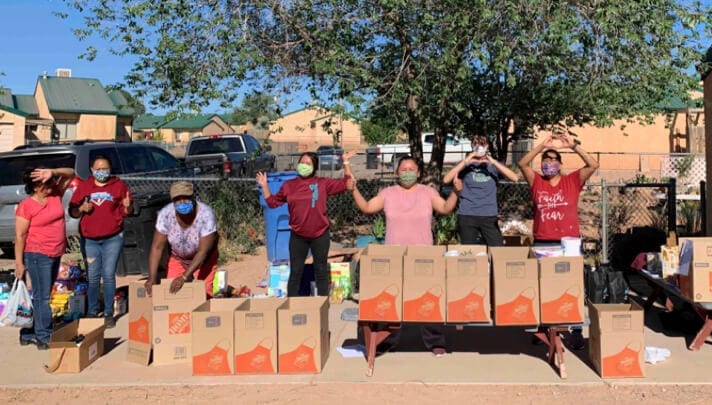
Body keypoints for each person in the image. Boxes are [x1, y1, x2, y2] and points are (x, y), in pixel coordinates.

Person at [350, 156, 460, 357]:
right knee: (392, 300)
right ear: (397, 172)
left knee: (427, 299)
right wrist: (353, 189)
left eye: (411, 169)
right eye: (403, 169)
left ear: (418, 173)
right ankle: (389, 339)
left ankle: (435, 340)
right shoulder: (388, 193)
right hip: (395, 257)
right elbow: (367, 208)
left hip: (423, 257)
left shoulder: (428, 192)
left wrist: (456, 192)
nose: (407, 172)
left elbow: (445, 208)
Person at [518, 132, 599, 350]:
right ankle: (544, 328)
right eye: (546, 159)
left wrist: (573, 145)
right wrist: (541, 146)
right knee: (544, 286)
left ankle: (575, 330)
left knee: (571, 286)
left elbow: (593, 164)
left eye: (554, 159)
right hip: (544, 242)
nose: (550, 163)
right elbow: (522, 163)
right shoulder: (536, 182)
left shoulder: (571, 181)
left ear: (561, 164)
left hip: (568, 242)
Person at [256, 150, 355, 297]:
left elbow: (348, 184)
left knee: (320, 270)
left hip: (320, 235)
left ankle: (322, 305)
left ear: (314, 167)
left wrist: (346, 162)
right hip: (298, 236)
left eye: (308, 163)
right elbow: (272, 203)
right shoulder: (289, 185)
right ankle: (292, 305)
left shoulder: (322, 183)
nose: (304, 165)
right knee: (296, 272)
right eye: (302, 162)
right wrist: (264, 186)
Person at [14, 167, 75, 350]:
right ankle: (44, 335)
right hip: (37, 254)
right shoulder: (27, 206)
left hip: (55, 252)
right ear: (34, 187)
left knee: (43, 295)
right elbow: (20, 236)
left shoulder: (55, 194)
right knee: (42, 297)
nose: (49, 186)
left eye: (49, 182)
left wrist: (53, 171)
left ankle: (29, 332)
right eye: (44, 184)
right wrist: (19, 263)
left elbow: (71, 173)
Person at [68, 156, 132, 328]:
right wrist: (80, 209)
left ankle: (109, 313)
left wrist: (128, 206)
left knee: (109, 274)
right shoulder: (84, 187)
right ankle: (92, 311)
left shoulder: (119, 186)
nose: (102, 172)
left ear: (110, 169)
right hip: (90, 239)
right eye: (98, 168)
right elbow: (72, 211)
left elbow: (127, 211)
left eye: (105, 168)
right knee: (93, 276)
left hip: (113, 237)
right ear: (91, 169)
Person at [145, 181, 219, 297]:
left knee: (204, 292)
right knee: (172, 292)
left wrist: (184, 276)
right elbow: (157, 247)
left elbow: (203, 251)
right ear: (173, 201)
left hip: (204, 260)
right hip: (178, 258)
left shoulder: (206, 215)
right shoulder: (166, 215)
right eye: (178, 199)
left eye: (186, 198)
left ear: (193, 197)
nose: (182, 202)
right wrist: (152, 278)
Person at [443, 135, 519, 245]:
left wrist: (493, 162)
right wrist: (468, 160)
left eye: (482, 144)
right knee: (469, 251)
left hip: (489, 215)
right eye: (475, 144)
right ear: (472, 146)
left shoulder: (493, 166)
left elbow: (515, 178)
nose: (479, 146)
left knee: (497, 248)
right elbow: (446, 179)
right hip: (467, 214)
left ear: (487, 146)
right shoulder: (465, 165)